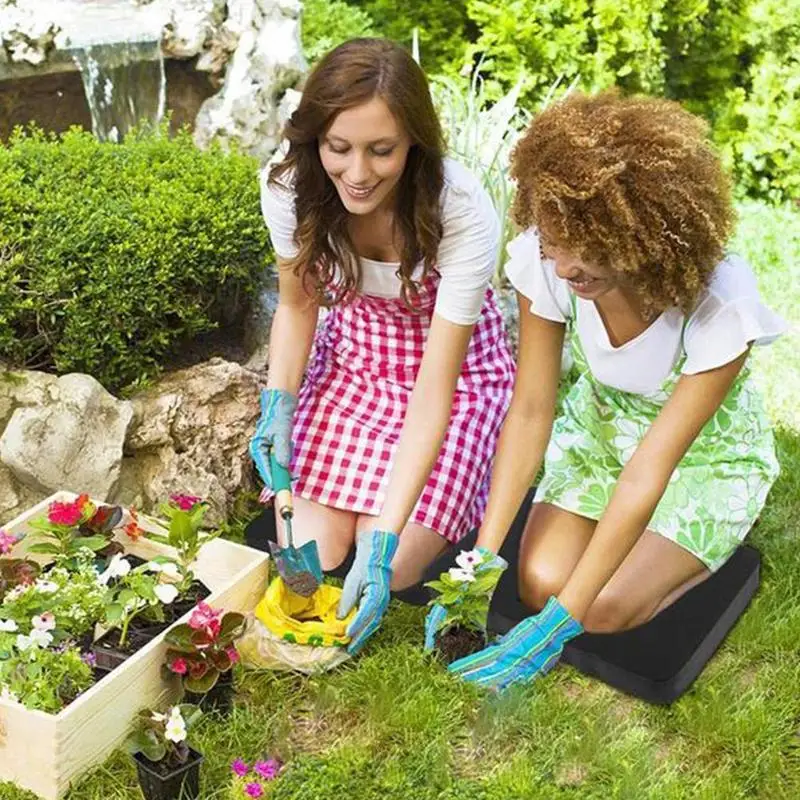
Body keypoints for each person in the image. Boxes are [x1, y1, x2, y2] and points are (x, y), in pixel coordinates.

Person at [433, 90, 786, 691]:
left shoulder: (718, 300)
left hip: (702, 456)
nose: (566, 267)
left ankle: (704, 543)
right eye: (553, 238)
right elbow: (532, 411)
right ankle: (627, 554)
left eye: (588, 246)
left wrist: (561, 623)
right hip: (602, 428)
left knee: (594, 608)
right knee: (539, 582)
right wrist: (479, 561)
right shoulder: (546, 263)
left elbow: (653, 468)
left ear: (638, 229)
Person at [249, 38, 515, 655]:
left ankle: (421, 518)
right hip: (354, 365)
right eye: (339, 148)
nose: (359, 173)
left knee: (388, 566)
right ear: (315, 138)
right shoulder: (288, 188)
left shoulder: (461, 211)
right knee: (313, 551)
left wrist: (387, 538)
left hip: (451, 380)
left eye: (382, 150)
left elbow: (433, 390)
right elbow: (297, 306)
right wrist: (278, 406)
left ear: (414, 144)